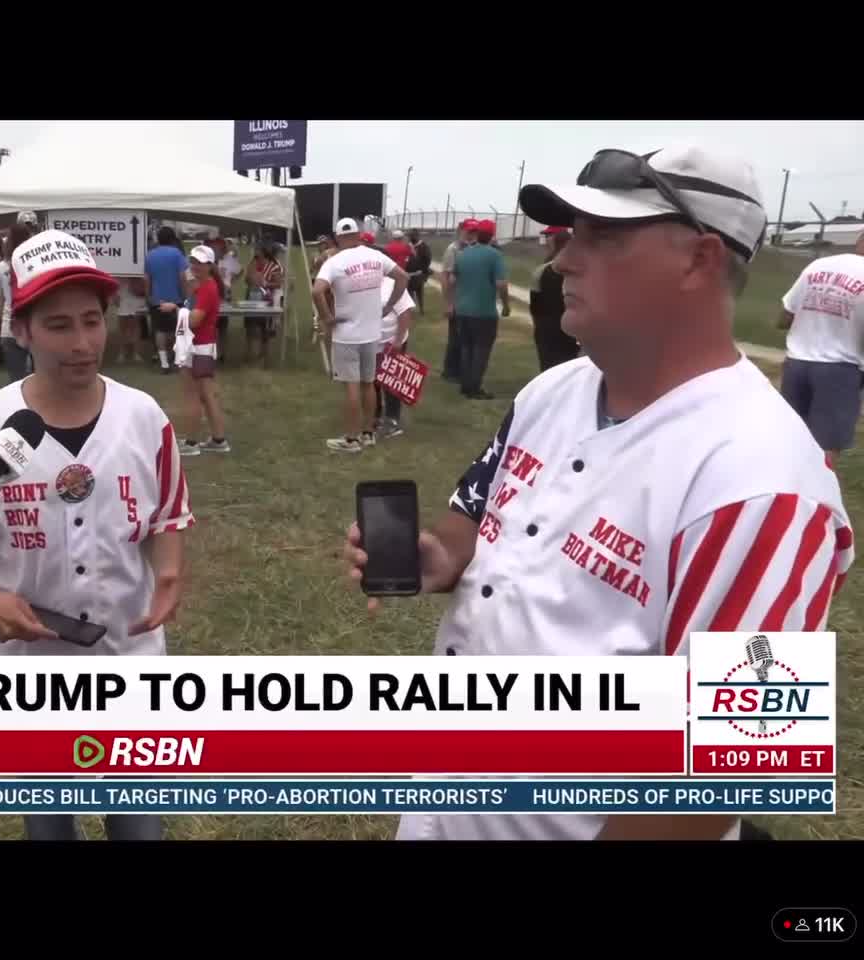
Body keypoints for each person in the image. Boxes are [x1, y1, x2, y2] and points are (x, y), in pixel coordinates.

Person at [345, 143, 854, 842]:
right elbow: (476, 514)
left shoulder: (767, 481)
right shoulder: (552, 390)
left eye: (603, 237)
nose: (562, 261)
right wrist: (440, 556)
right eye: (570, 236)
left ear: (699, 261)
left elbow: (715, 779)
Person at [0, 229, 193, 842]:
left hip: (129, 658)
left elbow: (170, 510)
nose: (82, 343)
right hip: (29, 666)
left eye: (92, 321)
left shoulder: (144, 416)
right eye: (59, 326)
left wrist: (169, 571)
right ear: (21, 331)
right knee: (49, 827)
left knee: (138, 827)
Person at [313, 217, 410, 453]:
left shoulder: (334, 262)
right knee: (369, 384)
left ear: (337, 238)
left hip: (346, 335)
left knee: (352, 387)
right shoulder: (375, 256)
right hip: (371, 334)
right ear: (358, 235)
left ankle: (351, 439)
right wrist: (389, 306)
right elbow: (403, 277)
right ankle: (368, 433)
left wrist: (327, 319)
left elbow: (317, 290)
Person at [776, 229, 864, 465]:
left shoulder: (818, 266)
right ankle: (814, 495)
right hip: (840, 368)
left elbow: (785, 317)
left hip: (797, 363)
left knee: (789, 436)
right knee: (826, 446)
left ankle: (782, 486)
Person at [176, 245, 229, 456]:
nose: (194, 266)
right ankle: (218, 439)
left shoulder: (207, 288)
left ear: (210, 265)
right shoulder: (203, 286)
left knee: (194, 396)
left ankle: (190, 443)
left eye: (199, 262)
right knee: (206, 395)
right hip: (201, 347)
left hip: (198, 347)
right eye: (193, 261)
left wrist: (178, 311)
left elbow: (195, 320)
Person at [452, 219, 510, 399]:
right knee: (481, 350)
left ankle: (465, 383)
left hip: (462, 309)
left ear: (477, 234)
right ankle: (474, 387)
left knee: (466, 348)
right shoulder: (494, 255)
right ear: (492, 235)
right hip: (484, 311)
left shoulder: (463, 254)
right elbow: (501, 283)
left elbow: (454, 280)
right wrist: (506, 304)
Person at [529, 225, 580, 371]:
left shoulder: (543, 271)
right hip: (569, 330)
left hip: (548, 329)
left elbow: (535, 306)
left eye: (549, 237)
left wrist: (539, 327)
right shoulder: (581, 269)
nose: (547, 241)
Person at [0, 223, 35, 382]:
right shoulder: (35, 265)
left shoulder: (2, 267)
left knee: (15, 381)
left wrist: (4, 314)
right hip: (35, 325)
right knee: (41, 378)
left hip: (9, 326)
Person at [374, 274, 416, 441]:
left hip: (392, 341)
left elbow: (405, 313)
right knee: (371, 381)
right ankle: (375, 416)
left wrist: (398, 341)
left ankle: (392, 420)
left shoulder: (393, 285)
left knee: (391, 382)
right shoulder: (362, 284)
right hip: (369, 342)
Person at [145, 225, 189, 374]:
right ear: (172, 239)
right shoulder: (177, 254)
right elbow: (183, 277)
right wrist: (185, 295)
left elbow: (147, 278)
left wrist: (148, 296)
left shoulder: (150, 255)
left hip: (157, 299)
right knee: (178, 330)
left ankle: (164, 363)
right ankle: (176, 361)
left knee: (160, 331)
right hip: (176, 298)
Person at [439, 219, 477, 382]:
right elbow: (446, 277)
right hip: (456, 299)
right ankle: (450, 371)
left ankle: (462, 370)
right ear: (461, 230)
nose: (471, 235)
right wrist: (449, 303)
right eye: (469, 231)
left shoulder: (474, 249)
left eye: (474, 232)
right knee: (455, 338)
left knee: (467, 338)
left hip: (469, 300)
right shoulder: (453, 250)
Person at [243, 242, 284, 365]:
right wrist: (251, 278)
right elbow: (246, 280)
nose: (255, 253)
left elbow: (278, 284)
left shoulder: (274, 267)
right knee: (250, 327)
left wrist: (265, 283)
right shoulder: (252, 264)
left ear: (264, 252)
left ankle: (264, 354)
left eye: (257, 250)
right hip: (251, 299)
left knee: (264, 329)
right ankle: (249, 353)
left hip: (266, 300)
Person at [406, 229, 431, 314]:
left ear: (417, 236)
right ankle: (410, 310)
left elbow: (428, 259)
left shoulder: (424, 246)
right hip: (409, 274)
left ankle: (421, 309)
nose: (411, 237)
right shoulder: (407, 246)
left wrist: (424, 271)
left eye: (413, 235)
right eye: (410, 236)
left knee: (419, 292)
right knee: (409, 292)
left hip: (419, 273)